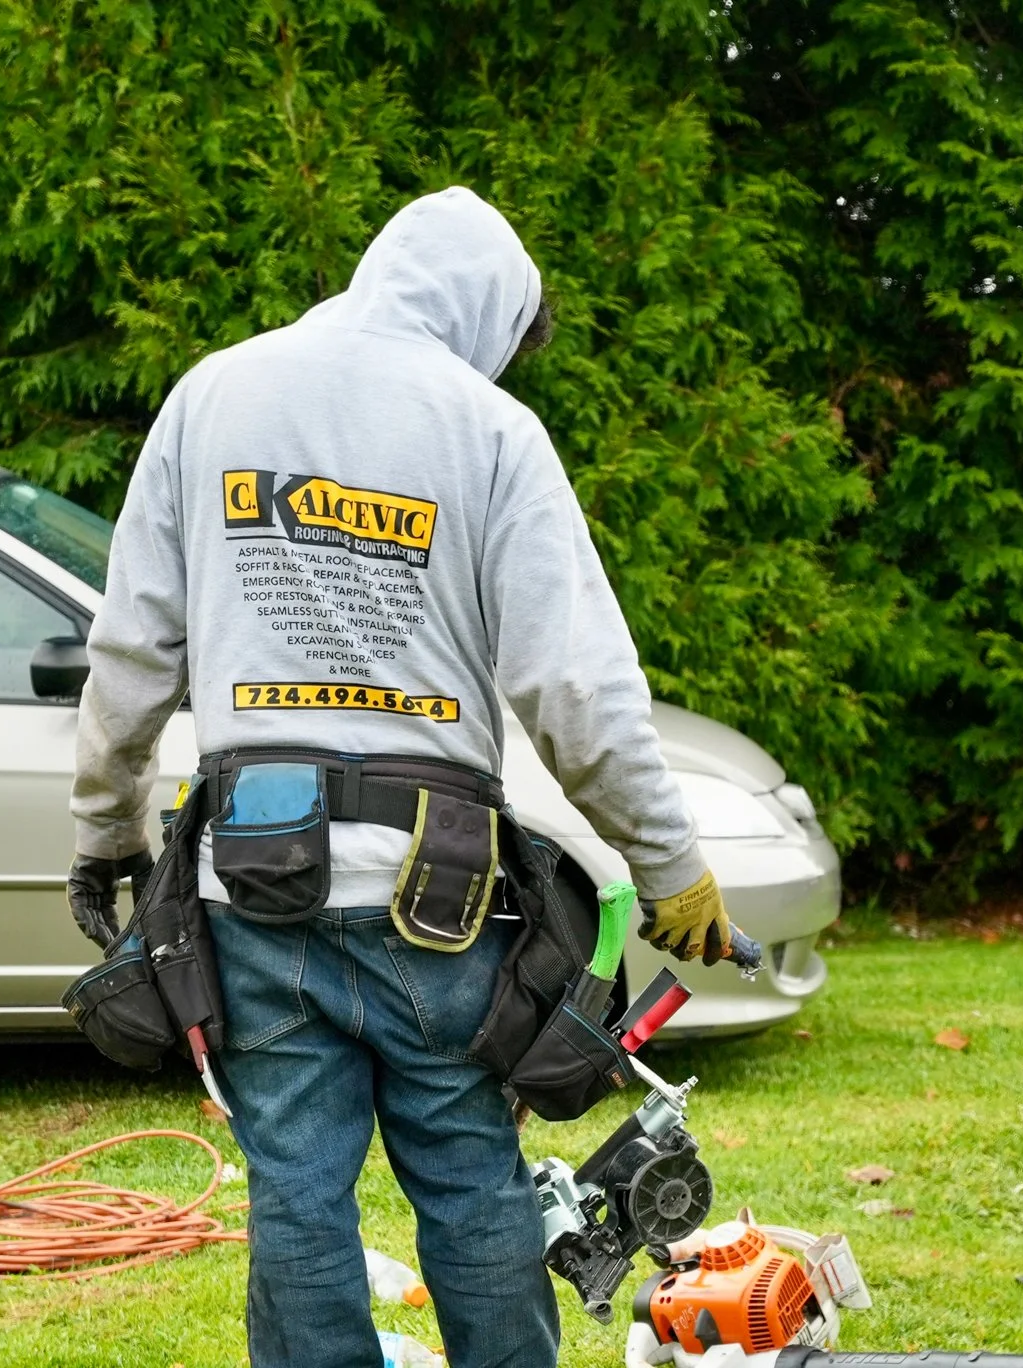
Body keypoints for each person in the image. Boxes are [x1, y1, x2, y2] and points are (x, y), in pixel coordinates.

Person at [68, 186, 732, 1368]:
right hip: (439, 896)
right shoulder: (484, 430)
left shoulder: (211, 395)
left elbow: (132, 648)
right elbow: (572, 687)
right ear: (483, 313)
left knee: (297, 1192)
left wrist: (105, 825)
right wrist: (668, 865)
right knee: (470, 1175)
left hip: (253, 881)